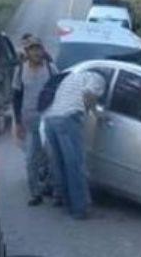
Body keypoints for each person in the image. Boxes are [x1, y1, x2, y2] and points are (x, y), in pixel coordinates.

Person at [44, 68, 106, 219]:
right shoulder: (98, 78)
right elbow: (89, 94)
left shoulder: (72, 77)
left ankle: (66, 203)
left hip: (51, 118)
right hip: (68, 118)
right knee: (75, 165)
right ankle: (80, 209)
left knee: (60, 164)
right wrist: (97, 114)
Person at [12, 36, 57, 206]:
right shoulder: (21, 70)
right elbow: (16, 96)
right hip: (29, 121)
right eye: (32, 49)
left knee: (52, 157)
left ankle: (54, 190)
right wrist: (17, 123)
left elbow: (58, 90)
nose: (36, 52)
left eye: (38, 48)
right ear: (27, 52)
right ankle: (35, 193)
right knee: (31, 159)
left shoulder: (51, 69)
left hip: (48, 119)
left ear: (43, 50)